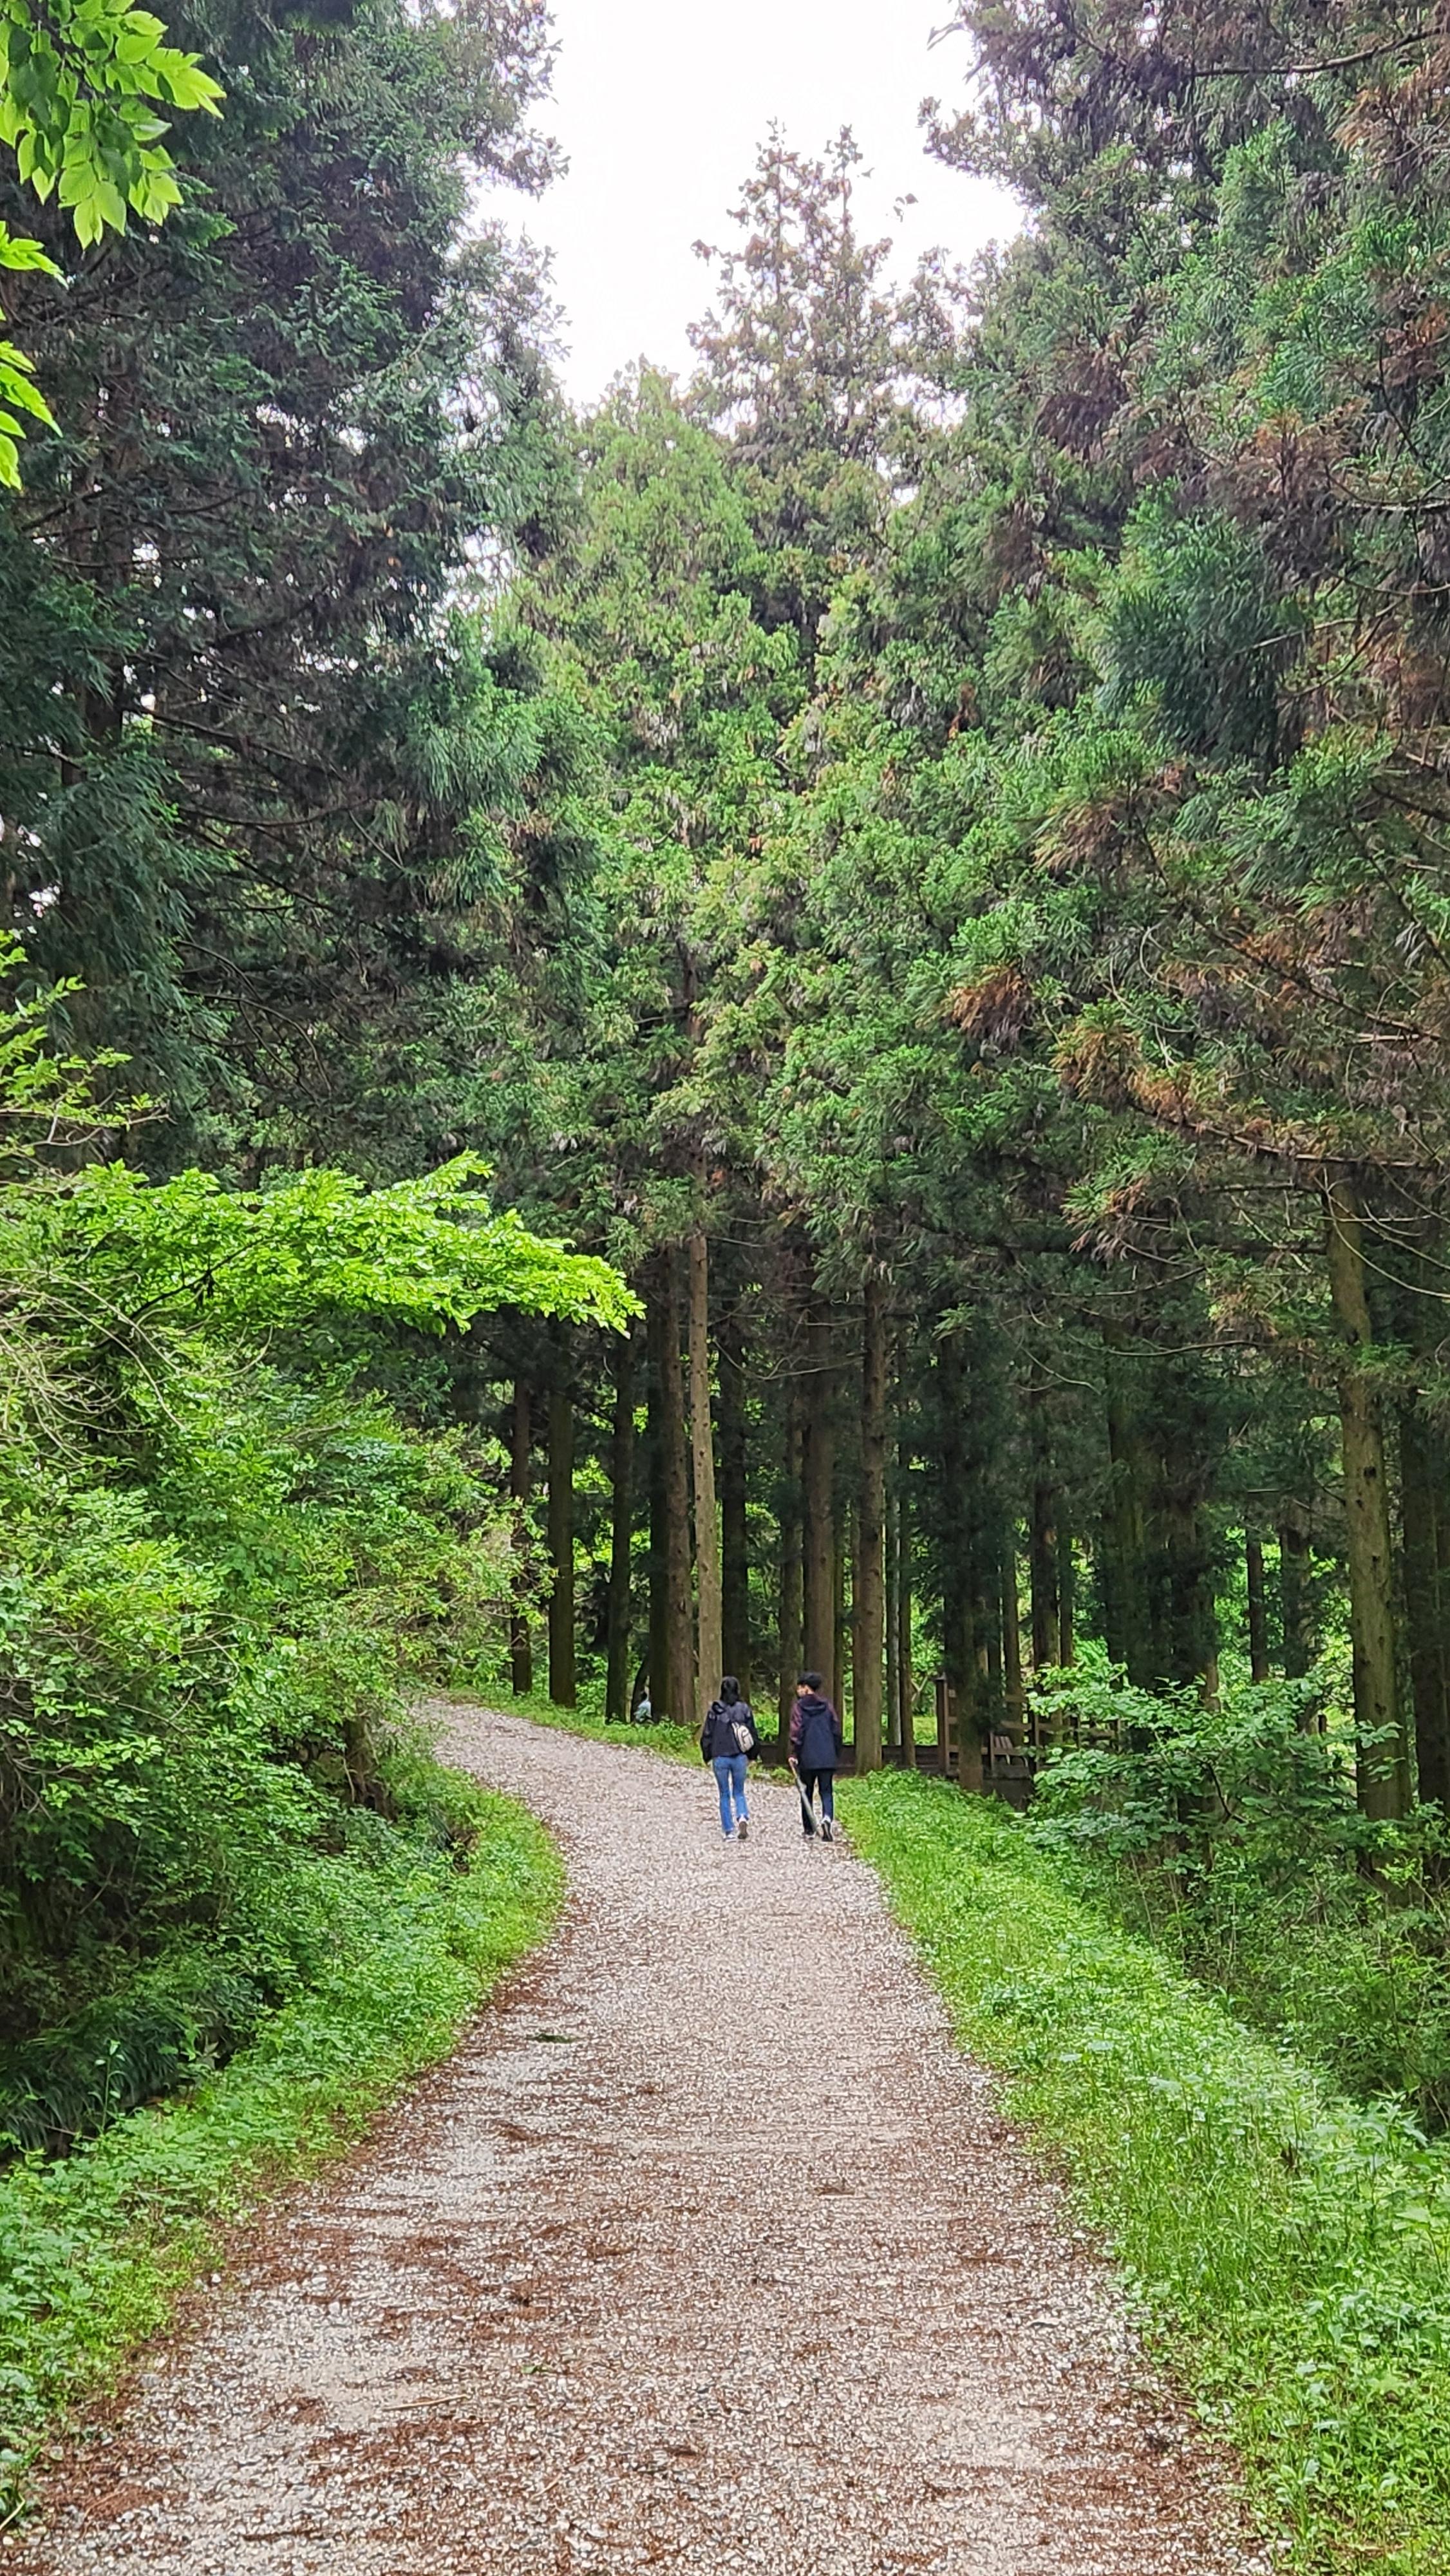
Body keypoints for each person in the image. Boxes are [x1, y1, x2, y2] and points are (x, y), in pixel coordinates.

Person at [700, 1675, 760, 1842]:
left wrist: (707, 1755)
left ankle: (729, 1831)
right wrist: (753, 1755)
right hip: (740, 1756)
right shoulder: (744, 1709)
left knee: (724, 1794)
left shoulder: (715, 1710)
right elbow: (753, 1733)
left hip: (720, 1756)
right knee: (739, 1791)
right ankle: (742, 1816)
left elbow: (707, 1735)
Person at [789, 1671, 843, 1841]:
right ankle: (827, 1818)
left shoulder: (799, 1707)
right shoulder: (827, 1706)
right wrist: (835, 1751)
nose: (798, 1691)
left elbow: (797, 1731)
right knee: (827, 1791)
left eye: (800, 1687)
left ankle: (809, 1829)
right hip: (827, 1756)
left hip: (807, 1757)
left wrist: (794, 1753)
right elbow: (836, 1729)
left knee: (807, 1791)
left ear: (806, 1688)